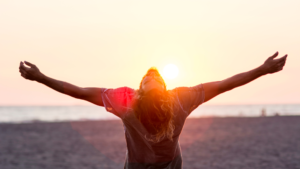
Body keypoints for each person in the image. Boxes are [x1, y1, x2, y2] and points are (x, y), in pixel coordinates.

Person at [19, 52, 287, 169]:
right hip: (137, 166)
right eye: (149, 76)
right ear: (141, 87)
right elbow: (78, 91)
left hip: (170, 166)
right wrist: (40, 77)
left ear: (163, 85)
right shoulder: (127, 100)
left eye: (157, 76)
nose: (153, 76)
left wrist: (262, 70)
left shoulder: (180, 98)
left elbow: (225, 84)